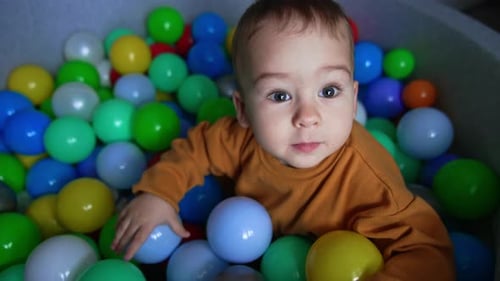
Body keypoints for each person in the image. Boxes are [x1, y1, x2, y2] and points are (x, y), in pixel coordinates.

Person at [112, 0, 455, 279]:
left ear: (353, 100)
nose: (307, 116)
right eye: (279, 95)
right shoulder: (238, 138)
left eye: (328, 91)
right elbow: (196, 148)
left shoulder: (369, 184)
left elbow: (427, 250)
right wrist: (159, 193)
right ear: (244, 110)